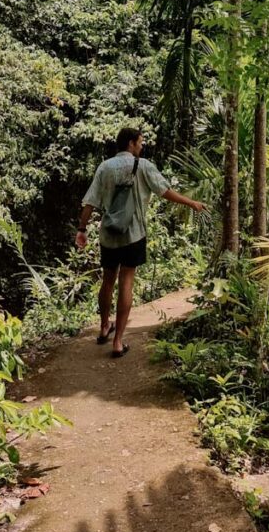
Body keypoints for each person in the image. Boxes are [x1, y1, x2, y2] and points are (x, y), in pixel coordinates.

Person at [75, 126, 206, 358]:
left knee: (107, 281)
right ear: (131, 144)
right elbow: (165, 191)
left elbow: (90, 201)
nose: (142, 145)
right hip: (133, 235)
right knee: (126, 281)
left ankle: (104, 326)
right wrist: (191, 203)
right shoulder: (143, 166)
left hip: (108, 234)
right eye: (140, 142)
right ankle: (117, 342)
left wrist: (82, 229)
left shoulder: (104, 167)